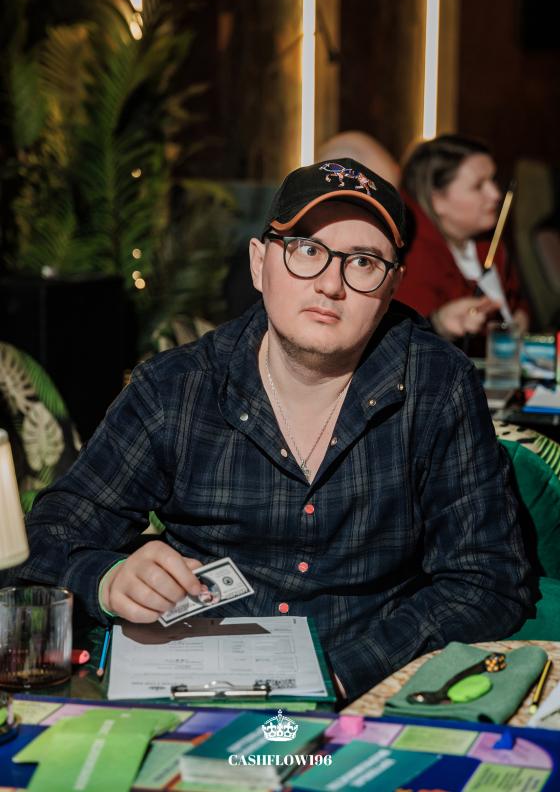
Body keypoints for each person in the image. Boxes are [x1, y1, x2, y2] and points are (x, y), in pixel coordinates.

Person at [5, 157, 531, 703]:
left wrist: (339, 676)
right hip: (194, 686)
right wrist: (108, 580)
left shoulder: (436, 386)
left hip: (362, 694)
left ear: (392, 285)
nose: (330, 284)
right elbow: (47, 536)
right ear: (260, 264)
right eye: (307, 250)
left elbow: (488, 577)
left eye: (364, 262)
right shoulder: (176, 388)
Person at [395, 134, 530, 344]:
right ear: (437, 200)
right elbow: (405, 340)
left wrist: (521, 315)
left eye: (493, 180)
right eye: (478, 186)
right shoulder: (414, 257)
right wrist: (439, 323)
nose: (495, 194)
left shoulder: (490, 243)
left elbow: (515, 301)